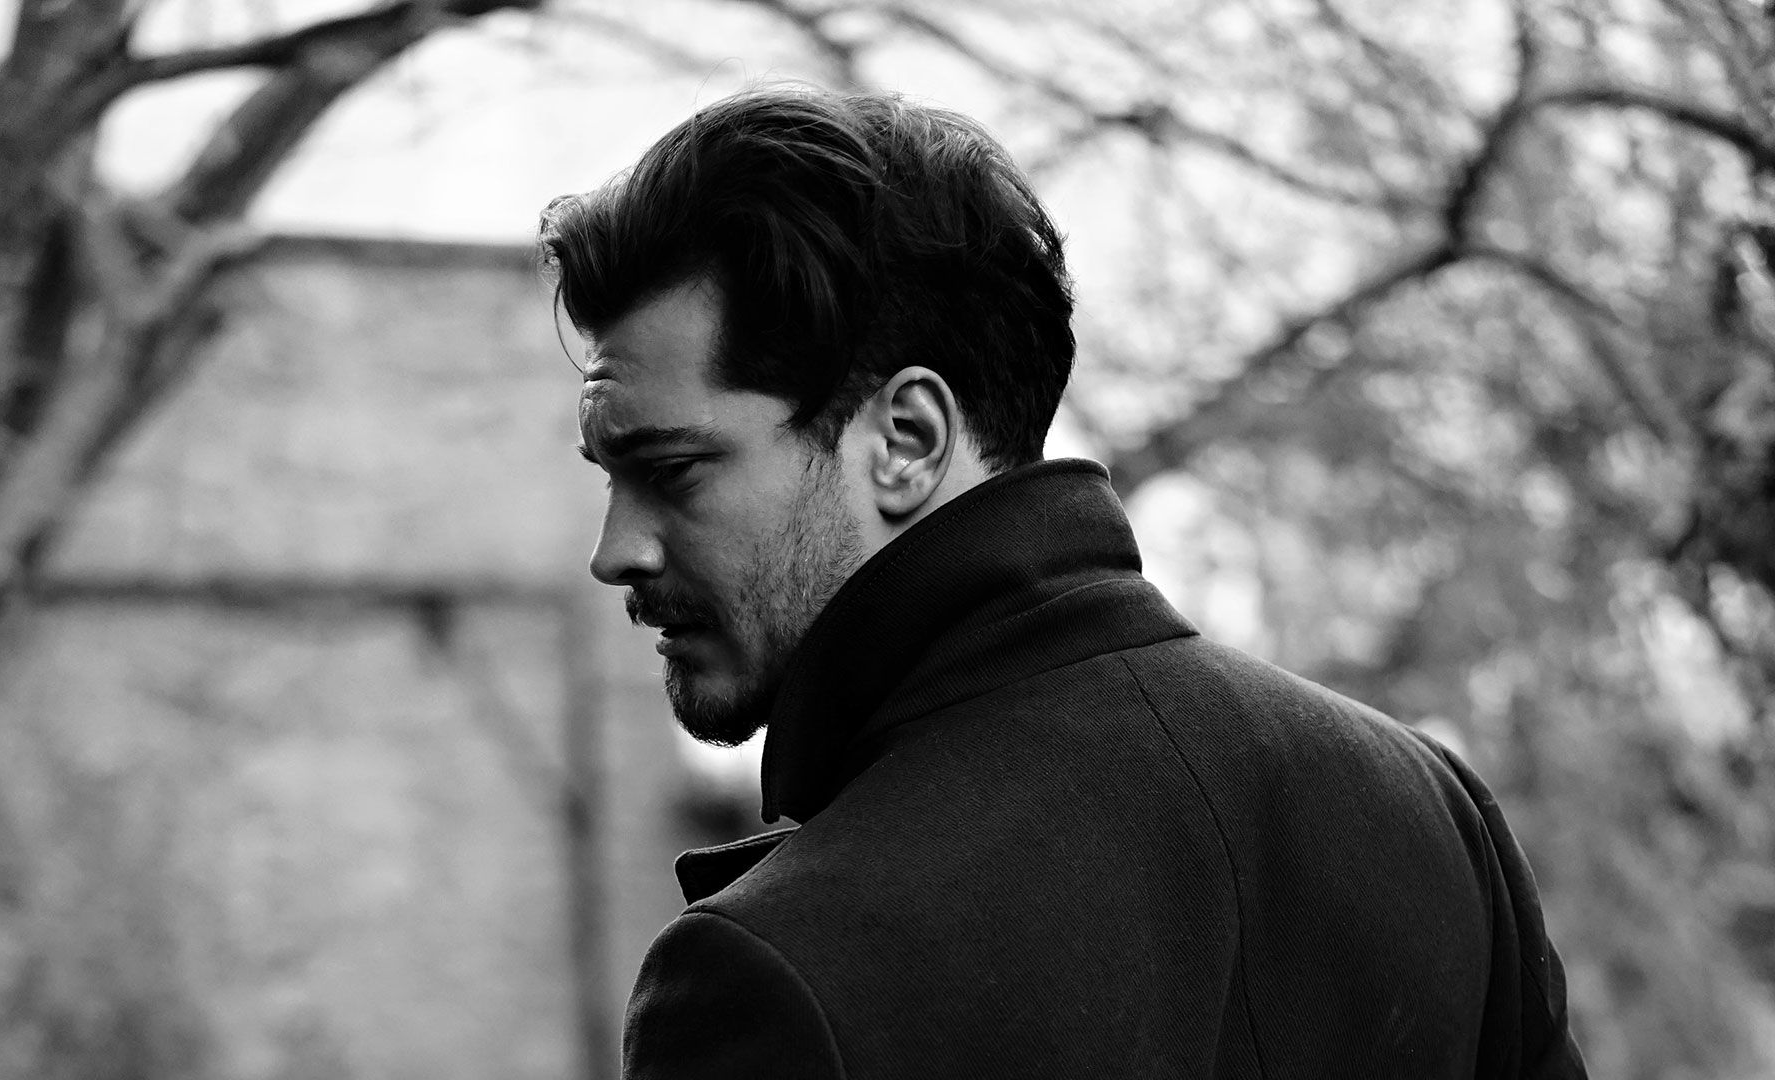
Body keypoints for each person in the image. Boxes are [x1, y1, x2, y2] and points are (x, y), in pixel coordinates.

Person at [539, 85, 1588, 1079]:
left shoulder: (778, 974)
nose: (615, 550)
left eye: (671, 470)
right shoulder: (1432, 813)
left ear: (906, 441)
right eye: (607, 478)